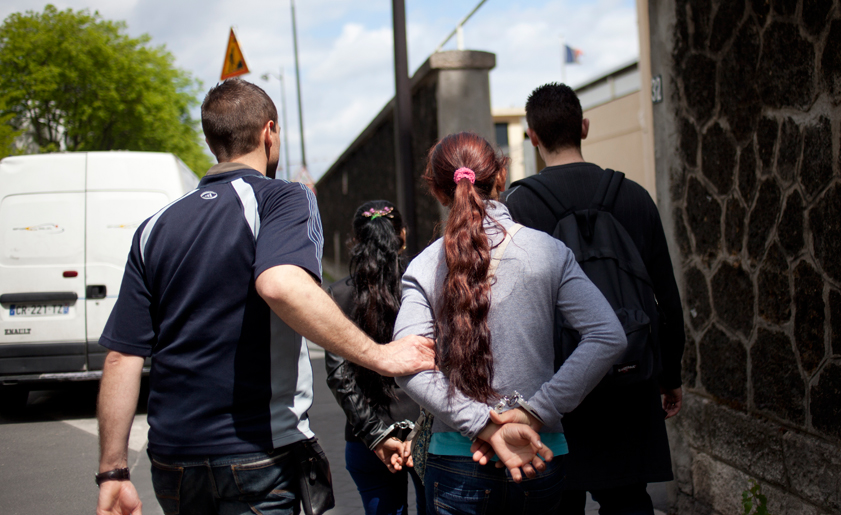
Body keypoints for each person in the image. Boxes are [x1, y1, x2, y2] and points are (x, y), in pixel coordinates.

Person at [95, 78, 435, 515]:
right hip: (256, 452)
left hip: (172, 459)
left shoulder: (154, 226)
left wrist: (114, 472)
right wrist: (382, 357)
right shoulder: (283, 199)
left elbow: (122, 358)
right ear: (268, 132)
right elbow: (280, 285)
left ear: (210, 139)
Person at [393, 131, 627, 515]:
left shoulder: (422, 266)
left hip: (455, 461)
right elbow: (607, 336)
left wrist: (483, 424)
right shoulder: (547, 251)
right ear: (499, 178)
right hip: (538, 452)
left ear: (437, 190)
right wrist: (536, 411)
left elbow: (408, 364)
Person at [503, 82, 685, 515]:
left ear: (533, 135)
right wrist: (670, 373)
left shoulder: (518, 207)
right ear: (584, 126)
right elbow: (667, 295)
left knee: (557, 501)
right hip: (631, 375)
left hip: (555, 388)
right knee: (628, 500)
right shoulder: (635, 197)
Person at [325, 200, 425, 515]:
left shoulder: (338, 295)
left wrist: (377, 435)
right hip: (430, 434)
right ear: (403, 236)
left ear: (354, 241)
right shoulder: (422, 283)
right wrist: (420, 429)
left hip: (367, 440)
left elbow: (338, 375)